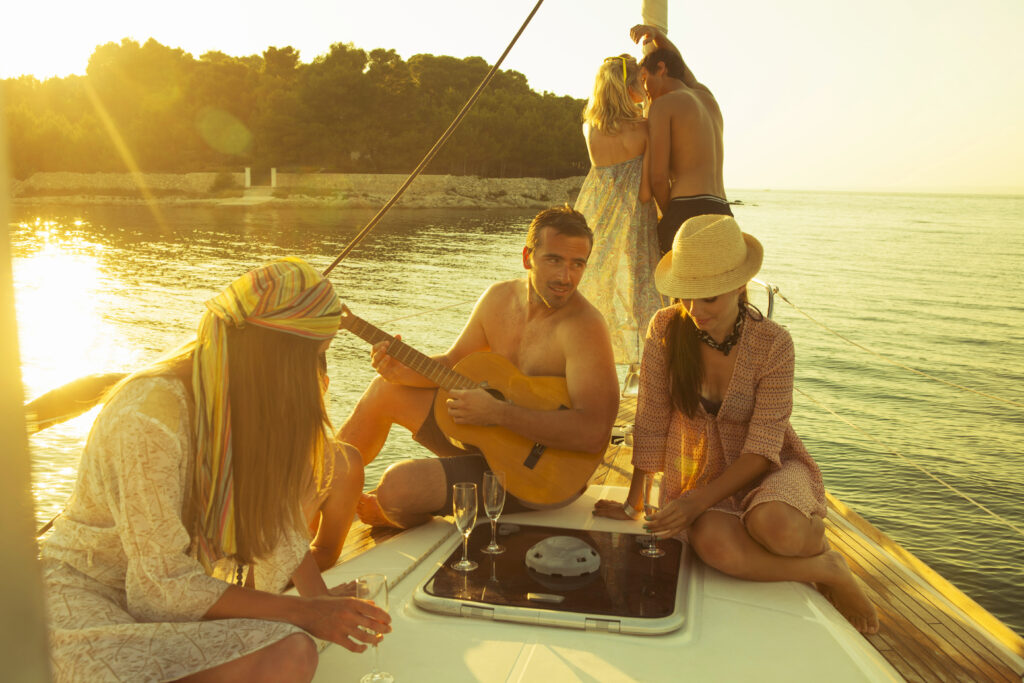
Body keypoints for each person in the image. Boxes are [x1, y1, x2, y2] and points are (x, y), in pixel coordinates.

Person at [39, 258, 390, 682]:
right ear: (278, 355)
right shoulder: (150, 416)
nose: (320, 372)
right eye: (316, 355)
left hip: (176, 603)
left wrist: (322, 605)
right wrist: (303, 610)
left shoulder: (246, 402)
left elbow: (275, 518)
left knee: (291, 653)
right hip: (85, 598)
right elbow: (161, 586)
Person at [593, 215, 879, 634]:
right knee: (712, 547)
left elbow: (764, 448)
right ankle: (826, 568)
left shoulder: (774, 344)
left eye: (708, 298)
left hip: (770, 467)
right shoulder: (666, 329)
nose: (694, 310)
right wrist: (635, 502)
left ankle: (814, 542)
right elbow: (651, 418)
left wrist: (696, 502)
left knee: (775, 527)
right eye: (686, 295)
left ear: (740, 287)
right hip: (699, 475)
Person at [338, 206, 620, 529]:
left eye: (577, 264)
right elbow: (452, 364)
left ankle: (399, 511)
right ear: (527, 257)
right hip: (482, 437)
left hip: (538, 478)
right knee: (384, 389)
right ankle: (321, 494)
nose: (565, 277)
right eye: (554, 260)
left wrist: (498, 414)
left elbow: (594, 433)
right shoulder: (498, 299)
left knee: (395, 488)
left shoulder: (586, 329)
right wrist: (399, 370)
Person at [575, 53, 664, 365]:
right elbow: (644, 192)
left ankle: (596, 357)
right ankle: (654, 358)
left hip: (596, 212)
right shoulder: (643, 129)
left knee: (598, 284)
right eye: (639, 82)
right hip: (635, 217)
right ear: (628, 89)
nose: (644, 86)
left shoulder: (590, 127)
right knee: (643, 287)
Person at [630, 24, 733, 255]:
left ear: (661, 68)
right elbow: (682, 67)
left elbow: (658, 178)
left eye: (644, 78)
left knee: (683, 289)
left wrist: (671, 217)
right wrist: (658, 37)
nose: (644, 89)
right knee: (717, 287)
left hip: (687, 208)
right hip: (722, 210)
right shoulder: (707, 97)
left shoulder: (662, 105)